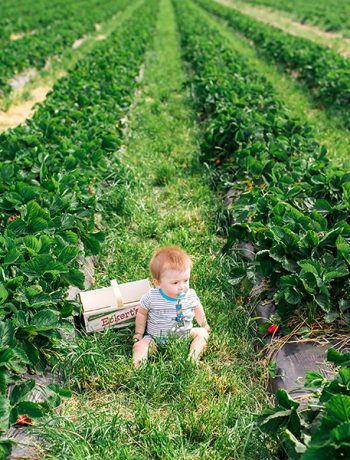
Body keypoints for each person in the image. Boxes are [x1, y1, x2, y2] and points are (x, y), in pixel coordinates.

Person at [132, 246, 210, 367]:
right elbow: (142, 313)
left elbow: (197, 308)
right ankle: (138, 363)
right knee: (141, 345)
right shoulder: (152, 297)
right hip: (155, 339)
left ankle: (193, 358)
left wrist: (204, 324)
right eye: (175, 283)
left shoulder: (190, 295)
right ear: (157, 283)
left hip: (185, 335)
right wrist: (138, 333)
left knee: (203, 334)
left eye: (186, 280)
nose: (182, 286)